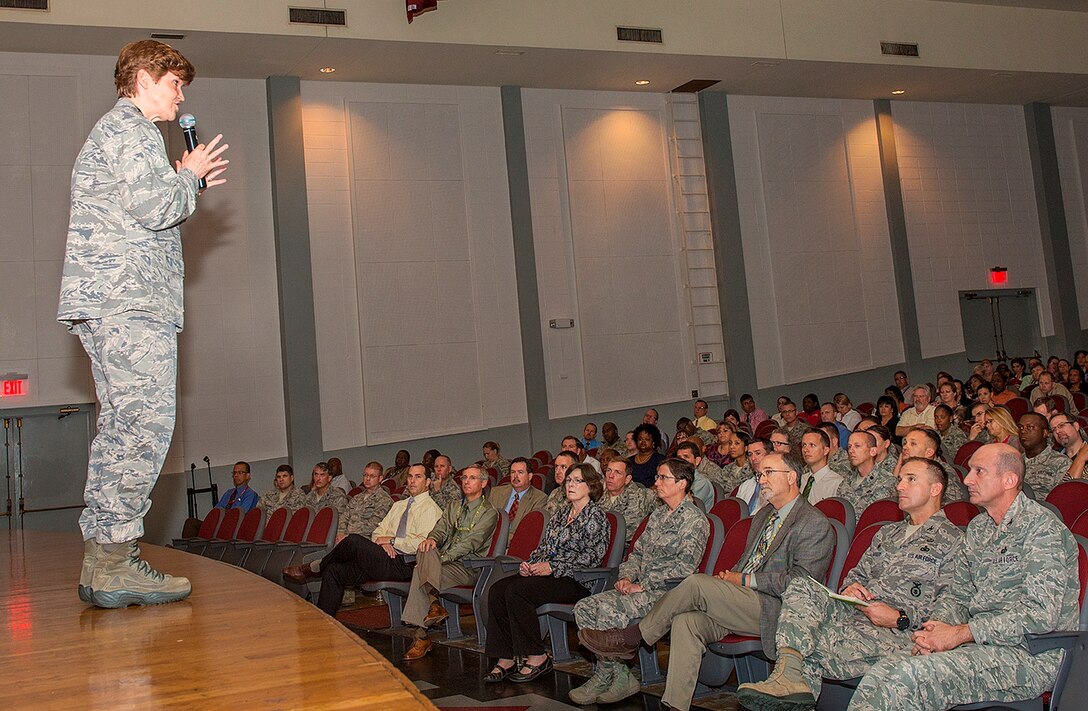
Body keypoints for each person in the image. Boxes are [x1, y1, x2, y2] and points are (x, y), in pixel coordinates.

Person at [63, 40, 229, 609]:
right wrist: (192, 176)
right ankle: (114, 562)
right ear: (142, 78)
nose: (181, 95)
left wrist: (181, 177)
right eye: (174, 83)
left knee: (123, 429)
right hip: (130, 301)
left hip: (113, 300)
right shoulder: (131, 129)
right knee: (143, 429)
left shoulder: (120, 132)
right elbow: (156, 208)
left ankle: (105, 561)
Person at [578, 451, 835, 711]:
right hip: (742, 600)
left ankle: (634, 637)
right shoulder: (763, 516)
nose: (761, 480)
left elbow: (804, 585)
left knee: (695, 582)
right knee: (686, 620)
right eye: (759, 474)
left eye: (769, 473)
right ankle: (675, 705)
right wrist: (730, 578)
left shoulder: (812, 522)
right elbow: (748, 561)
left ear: (792, 477)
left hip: (777, 609)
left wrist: (745, 580)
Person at [849, 443, 1081, 710]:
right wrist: (934, 632)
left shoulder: (1042, 529)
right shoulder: (979, 528)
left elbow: (1040, 616)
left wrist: (960, 634)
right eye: (970, 470)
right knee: (884, 670)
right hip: (979, 645)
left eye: (979, 471)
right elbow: (958, 596)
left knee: (909, 677)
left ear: (1009, 480)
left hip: (1029, 655)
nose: (968, 479)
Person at [736, 457, 962, 710]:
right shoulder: (887, 532)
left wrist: (900, 618)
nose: (899, 486)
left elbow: (951, 605)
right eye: (899, 479)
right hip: (856, 614)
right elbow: (857, 574)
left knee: (806, 646)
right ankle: (788, 674)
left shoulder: (954, 540)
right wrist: (850, 588)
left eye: (910, 479)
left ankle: (789, 680)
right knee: (802, 586)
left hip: (900, 632)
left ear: (935, 489)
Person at [570, 459, 709, 705]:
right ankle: (614, 674)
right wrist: (626, 576)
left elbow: (685, 569)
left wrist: (643, 585)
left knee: (610, 610)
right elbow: (637, 553)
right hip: (639, 587)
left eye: (663, 478)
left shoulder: (695, 520)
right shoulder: (657, 515)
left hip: (667, 593)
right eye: (657, 476)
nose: (656, 482)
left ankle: (612, 677)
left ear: (682, 484)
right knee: (585, 607)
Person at [483, 464, 608, 684]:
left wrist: (553, 567)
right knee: (497, 590)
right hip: (549, 574)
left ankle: (537, 657)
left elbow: (591, 557)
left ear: (590, 486)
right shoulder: (561, 514)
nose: (570, 484)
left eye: (577, 481)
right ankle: (506, 657)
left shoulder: (596, 517)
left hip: (576, 580)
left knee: (517, 591)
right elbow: (544, 548)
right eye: (568, 480)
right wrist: (529, 564)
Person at [283, 464, 443, 616]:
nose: (412, 480)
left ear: (428, 482)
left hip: (404, 563)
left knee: (353, 540)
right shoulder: (399, 505)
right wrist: (384, 541)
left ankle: (314, 568)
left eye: (418, 477)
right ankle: (324, 622)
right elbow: (378, 531)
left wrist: (393, 541)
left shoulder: (431, 509)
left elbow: (422, 544)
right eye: (409, 476)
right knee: (334, 571)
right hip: (383, 557)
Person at [401, 466, 498, 660]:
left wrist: (440, 559)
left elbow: (470, 543)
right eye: (464, 478)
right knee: (425, 547)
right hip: (444, 564)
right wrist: (432, 540)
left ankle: (426, 627)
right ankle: (431, 613)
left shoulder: (490, 512)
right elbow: (440, 529)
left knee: (420, 571)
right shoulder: (453, 506)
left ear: (484, 483)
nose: (466, 482)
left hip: (470, 567)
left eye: (472, 478)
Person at [837, 431, 897, 525]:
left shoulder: (886, 482)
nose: (851, 451)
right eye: (849, 446)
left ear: (872, 451)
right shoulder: (846, 482)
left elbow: (875, 520)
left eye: (857, 446)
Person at [894, 427, 967, 502]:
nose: (905, 447)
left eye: (913, 444)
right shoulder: (906, 468)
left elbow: (951, 506)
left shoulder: (943, 474)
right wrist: (899, 465)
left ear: (929, 452)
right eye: (905, 443)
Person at [488, 457, 547, 542]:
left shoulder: (539, 498)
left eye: (520, 472)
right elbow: (487, 523)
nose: (515, 476)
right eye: (513, 472)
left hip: (513, 545)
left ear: (529, 476)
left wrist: (499, 539)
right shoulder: (496, 493)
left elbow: (527, 532)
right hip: (489, 544)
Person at [599, 458, 655, 545]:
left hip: (626, 551)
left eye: (617, 472)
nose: (610, 476)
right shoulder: (595, 493)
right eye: (608, 470)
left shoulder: (643, 497)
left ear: (627, 479)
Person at [337, 461, 394, 542]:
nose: (367, 479)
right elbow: (344, 517)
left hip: (366, 541)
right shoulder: (357, 498)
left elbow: (374, 525)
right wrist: (341, 533)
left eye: (372, 476)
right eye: (365, 475)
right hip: (347, 540)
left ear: (380, 478)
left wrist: (348, 536)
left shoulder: (385, 500)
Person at [1018, 412, 1069, 500]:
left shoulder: (1061, 462)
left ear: (1044, 433)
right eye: (1020, 427)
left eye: (1029, 427)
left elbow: (1061, 499)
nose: (1023, 431)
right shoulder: (1015, 461)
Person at [798, 429, 844, 505]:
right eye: (804, 445)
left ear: (825, 451)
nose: (806, 450)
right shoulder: (802, 479)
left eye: (812, 445)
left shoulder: (837, 483)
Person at [629, 423, 667, 488]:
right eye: (640, 439)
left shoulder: (660, 460)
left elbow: (664, 480)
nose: (643, 442)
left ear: (653, 442)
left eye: (647, 439)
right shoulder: (629, 461)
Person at [545, 451, 579, 515]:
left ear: (575, 469)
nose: (558, 472)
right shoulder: (555, 492)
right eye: (556, 467)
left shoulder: (581, 494)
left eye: (563, 467)